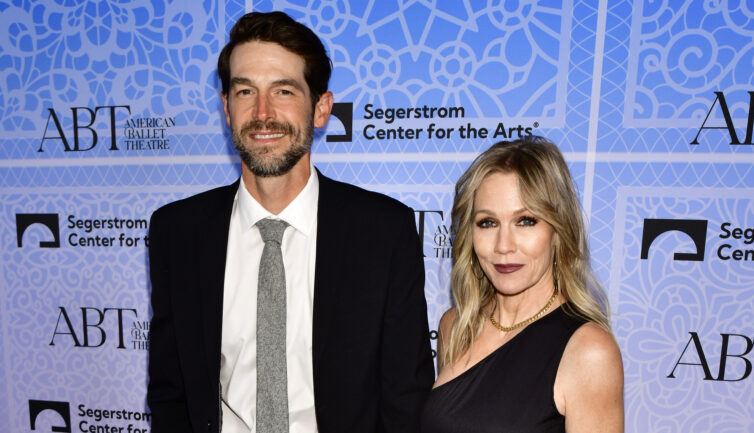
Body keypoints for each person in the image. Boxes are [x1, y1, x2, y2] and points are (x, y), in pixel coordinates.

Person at [147, 11, 434, 433]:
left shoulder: (383, 231)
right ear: (226, 108)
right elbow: (171, 392)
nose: (263, 113)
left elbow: (405, 400)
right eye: (245, 91)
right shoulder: (178, 231)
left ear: (321, 109)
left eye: (283, 90)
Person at [421, 137, 624, 433]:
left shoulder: (588, 351)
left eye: (526, 221)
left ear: (558, 230)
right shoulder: (456, 326)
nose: (504, 246)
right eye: (488, 223)